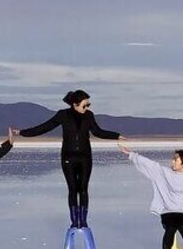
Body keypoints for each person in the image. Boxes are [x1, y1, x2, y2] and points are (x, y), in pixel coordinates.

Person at [13, 90, 123, 228]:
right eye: (85, 105)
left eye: (89, 104)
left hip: (85, 158)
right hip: (68, 157)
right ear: (75, 104)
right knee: (72, 189)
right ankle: (74, 220)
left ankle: (83, 220)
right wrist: (23, 133)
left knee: (83, 189)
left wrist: (116, 135)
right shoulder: (63, 115)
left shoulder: (89, 116)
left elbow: (97, 132)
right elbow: (44, 128)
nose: (87, 108)